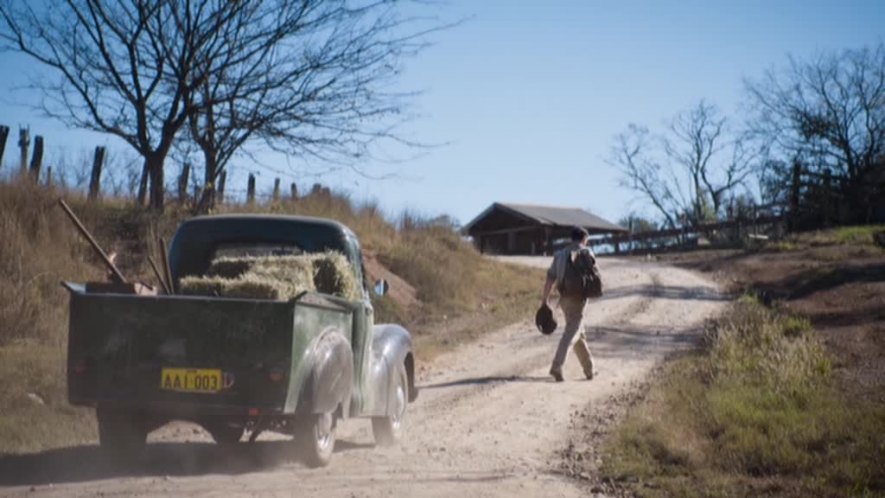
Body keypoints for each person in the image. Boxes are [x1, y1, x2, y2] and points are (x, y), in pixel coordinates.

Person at [541, 226, 596, 382]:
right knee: (572, 332)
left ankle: (589, 369)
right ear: (583, 238)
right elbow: (595, 277)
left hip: (564, 299)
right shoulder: (586, 252)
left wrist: (544, 300)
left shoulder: (560, 255)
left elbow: (549, 280)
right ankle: (557, 366)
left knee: (579, 332)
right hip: (580, 299)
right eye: (587, 240)